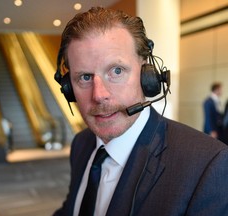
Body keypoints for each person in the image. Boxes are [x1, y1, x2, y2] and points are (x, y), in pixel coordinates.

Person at [53, 7, 228, 216]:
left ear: (148, 75)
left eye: (116, 71)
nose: (99, 95)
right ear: (68, 88)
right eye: (85, 77)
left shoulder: (208, 164)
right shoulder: (81, 143)